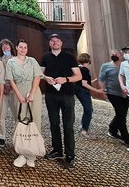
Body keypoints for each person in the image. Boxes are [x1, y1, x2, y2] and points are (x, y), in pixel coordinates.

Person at [40, 33, 81, 169]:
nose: (55, 42)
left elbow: (78, 76)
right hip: (51, 95)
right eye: (52, 41)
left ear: (61, 43)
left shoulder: (69, 57)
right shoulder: (45, 57)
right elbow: (41, 74)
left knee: (68, 125)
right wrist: (46, 78)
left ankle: (70, 155)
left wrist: (66, 79)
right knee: (54, 124)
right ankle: (57, 150)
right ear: (50, 43)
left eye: (57, 40)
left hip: (67, 95)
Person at [7, 39, 42, 168]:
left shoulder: (32, 61)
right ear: (16, 48)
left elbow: (37, 77)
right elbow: (11, 80)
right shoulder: (10, 62)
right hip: (18, 92)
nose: (23, 49)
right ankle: (21, 153)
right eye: (20, 47)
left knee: (35, 120)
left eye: (25, 47)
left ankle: (32, 154)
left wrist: (32, 93)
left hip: (34, 92)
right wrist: (19, 95)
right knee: (20, 121)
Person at [98, 50, 129, 147]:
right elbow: (101, 79)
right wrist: (103, 90)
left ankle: (112, 129)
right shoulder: (106, 66)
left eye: (116, 54)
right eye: (112, 54)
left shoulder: (126, 65)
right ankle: (127, 139)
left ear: (121, 56)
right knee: (121, 115)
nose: (113, 56)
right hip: (112, 93)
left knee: (121, 113)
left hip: (126, 93)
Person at [75, 53, 106, 136]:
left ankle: (83, 124)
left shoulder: (78, 68)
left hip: (79, 91)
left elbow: (82, 82)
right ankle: (84, 129)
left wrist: (93, 81)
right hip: (83, 91)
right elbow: (84, 84)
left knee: (87, 109)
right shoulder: (85, 70)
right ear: (88, 61)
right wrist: (97, 90)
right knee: (89, 110)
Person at [0, 39, 17, 147]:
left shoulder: (16, 59)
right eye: (3, 47)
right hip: (2, 91)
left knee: (17, 116)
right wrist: (3, 86)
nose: (6, 48)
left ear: (11, 47)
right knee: (0, 116)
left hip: (14, 91)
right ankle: (2, 137)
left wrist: (12, 87)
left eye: (7, 46)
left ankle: (17, 137)